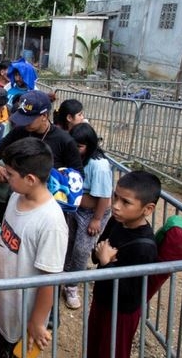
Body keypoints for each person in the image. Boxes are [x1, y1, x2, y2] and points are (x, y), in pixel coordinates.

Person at [0, 137, 68, 357]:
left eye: (10, 174)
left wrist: (38, 322)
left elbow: (50, 279)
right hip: (1, 299)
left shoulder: (52, 223)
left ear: (30, 179)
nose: (5, 176)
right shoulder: (15, 197)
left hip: (21, 314)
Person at [88, 170, 161, 358]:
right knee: (94, 347)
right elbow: (97, 251)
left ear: (148, 209)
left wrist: (106, 263)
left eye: (126, 202)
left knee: (111, 352)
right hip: (101, 300)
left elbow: (132, 293)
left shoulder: (145, 248)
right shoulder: (117, 221)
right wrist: (103, 259)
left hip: (120, 314)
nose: (116, 206)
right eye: (115, 197)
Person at [0, 90, 83, 175]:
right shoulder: (20, 131)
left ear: (44, 116)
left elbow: (77, 175)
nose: (24, 123)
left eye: (29, 120)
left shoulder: (64, 140)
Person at [62, 123, 112, 310]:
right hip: (76, 208)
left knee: (82, 249)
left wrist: (97, 219)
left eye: (80, 147)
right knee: (69, 241)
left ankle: (73, 285)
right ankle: (64, 274)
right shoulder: (75, 157)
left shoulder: (99, 166)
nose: (75, 150)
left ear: (89, 146)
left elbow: (105, 197)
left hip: (92, 212)